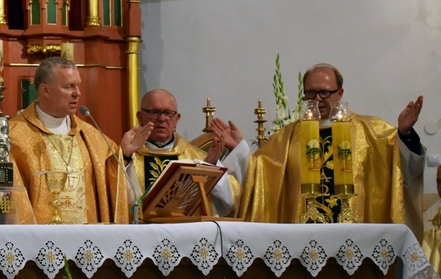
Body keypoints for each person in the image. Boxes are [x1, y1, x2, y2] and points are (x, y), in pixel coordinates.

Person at [219, 63, 424, 237]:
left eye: (324, 92)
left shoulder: (372, 132)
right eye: (310, 92)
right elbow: (260, 175)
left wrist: (404, 134)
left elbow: (403, 169)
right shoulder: (288, 137)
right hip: (304, 239)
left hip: (356, 236)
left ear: (340, 93)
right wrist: (240, 149)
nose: (317, 99)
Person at [0, 56, 152, 224]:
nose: (77, 93)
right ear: (45, 90)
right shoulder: (12, 136)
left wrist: (124, 155)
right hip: (36, 246)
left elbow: (118, 194)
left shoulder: (93, 138)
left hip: (87, 244)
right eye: (68, 86)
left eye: (78, 85)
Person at [127, 89, 247, 217]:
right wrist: (124, 157)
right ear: (140, 117)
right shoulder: (128, 157)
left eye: (168, 113)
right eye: (155, 112)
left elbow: (233, 198)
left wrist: (210, 167)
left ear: (177, 119)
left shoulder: (199, 158)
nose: (162, 118)